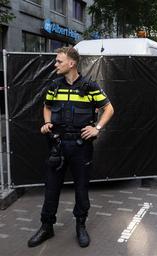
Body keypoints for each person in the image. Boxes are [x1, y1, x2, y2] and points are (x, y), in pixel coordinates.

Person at [27, 47, 114, 248]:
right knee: (51, 188)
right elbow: (47, 106)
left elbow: (109, 108)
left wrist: (97, 128)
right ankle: (46, 227)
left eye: (59, 61)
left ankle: (80, 227)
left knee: (81, 188)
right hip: (57, 145)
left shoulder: (89, 86)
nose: (55, 64)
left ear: (71, 63)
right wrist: (47, 123)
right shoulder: (54, 86)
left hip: (81, 147)